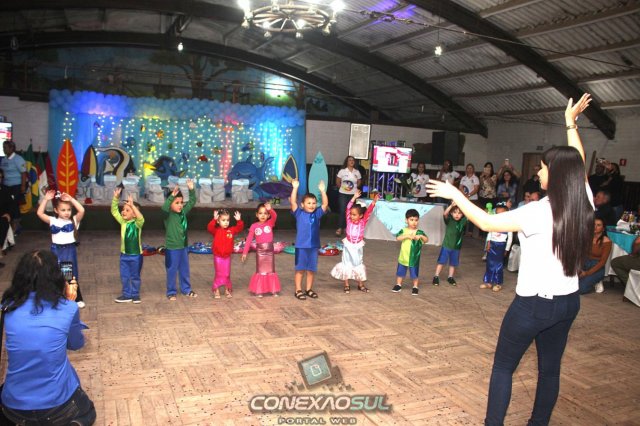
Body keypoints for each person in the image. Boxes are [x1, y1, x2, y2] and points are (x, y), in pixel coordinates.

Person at [426, 93, 594, 425]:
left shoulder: (538, 211)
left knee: (503, 367)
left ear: (555, 174)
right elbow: (579, 162)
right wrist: (570, 124)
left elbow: (487, 223)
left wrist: (456, 193)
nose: (539, 172)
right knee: (550, 370)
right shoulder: (583, 199)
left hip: (533, 305)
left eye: (543, 168)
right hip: (568, 302)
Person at [0, 250, 96, 425]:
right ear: (56, 277)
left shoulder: (7, 307)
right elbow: (76, 344)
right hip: (58, 406)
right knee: (88, 411)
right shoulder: (68, 308)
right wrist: (69, 301)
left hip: (14, 406)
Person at [36, 189, 86, 309]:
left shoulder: (73, 220)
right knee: (55, 273)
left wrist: (71, 199)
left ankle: (76, 297)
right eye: (63, 210)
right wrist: (46, 199)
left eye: (69, 210)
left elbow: (82, 210)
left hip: (68, 250)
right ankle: (57, 297)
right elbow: (39, 213)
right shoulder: (52, 221)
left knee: (69, 274)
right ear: (56, 210)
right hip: (56, 250)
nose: (66, 212)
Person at [331, 190, 379, 293]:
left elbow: (369, 211)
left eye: (354, 215)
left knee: (358, 264)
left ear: (360, 216)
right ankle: (346, 284)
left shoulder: (363, 221)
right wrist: (353, 197)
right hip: (348, 246)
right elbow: (348, 208)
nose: (352, 216)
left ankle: (360, 284)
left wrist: (374, 202)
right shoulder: (348, 220)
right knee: (346, 264)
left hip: (357, 246)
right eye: (351, 214)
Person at [291, 178, 329, 300]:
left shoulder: (317, 214)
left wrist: (323, 191)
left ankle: (308, 289)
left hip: (313, 246)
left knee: (311, 270)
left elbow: (325, 204)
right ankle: (298, 290)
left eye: (313, 203)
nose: (312, 205)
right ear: (302, 205)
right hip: (301, 246)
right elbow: (293, 202)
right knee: (300, 269)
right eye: (308, 203)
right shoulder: (299, 213)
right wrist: (295, 188)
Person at [162, 179, 197, 300]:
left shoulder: (183, 212)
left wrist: (191, 190)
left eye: (181, 202)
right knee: (172, 270)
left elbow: (192, 201)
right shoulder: (167, 214)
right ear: (170, 203)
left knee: (184, 269)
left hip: (183, 247)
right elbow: (164, 208)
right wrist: (172, 196)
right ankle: (171, 291)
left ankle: (186, 289)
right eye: (177, 203)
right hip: (172, 248)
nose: (180, 205)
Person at [111, 187, 145, 303]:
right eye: (123, 209)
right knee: (124, 276)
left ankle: (135, 295)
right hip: (124, 255)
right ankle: (127, 294)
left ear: (134, 214)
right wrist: (115, 199)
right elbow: (114, 211)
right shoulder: (123, 222)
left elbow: (141, 218)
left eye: (127, 210)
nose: (123, 212)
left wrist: (133, 206)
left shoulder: (138, 224)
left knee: (135, 276)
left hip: (136, 256)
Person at [242, 203, 281, 297]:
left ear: (268, 215)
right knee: (261, 271)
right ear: (256, 214)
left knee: (271, 271)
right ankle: (260, 290)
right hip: (260, 253)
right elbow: (249, 240)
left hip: (270, 252)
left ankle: (273, 290)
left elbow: (275, 216)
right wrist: (244, 253)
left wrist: (270, 209)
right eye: (260, 213)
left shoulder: (270, 223)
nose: (263, 215)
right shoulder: (254, 226)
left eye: (265, 213)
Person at [208, 209, 244, 299]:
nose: (226, 222)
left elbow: (239, 228)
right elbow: (209, 228)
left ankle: (227, 289)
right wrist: (213, 219)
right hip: (218, 257)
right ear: (218, 221)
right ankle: (216, 289)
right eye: (223, 220)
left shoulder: (231, 230)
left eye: (227, 220)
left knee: (227, 274)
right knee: (219, 273)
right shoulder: (216, 230)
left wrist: (239, 220)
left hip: (227, 257)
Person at [391, 209, 428, 296]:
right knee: (400, 272)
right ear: (406, 220)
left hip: (414, 258)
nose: (414, 222)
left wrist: (421, 236)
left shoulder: (419, 232)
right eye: (411, 220)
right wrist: (407, 236)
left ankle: (415, 286)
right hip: (403, 257)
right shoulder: (403, 230)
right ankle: (398, 284)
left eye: (416, 220)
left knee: (414, 273)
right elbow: (398, 238)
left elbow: (426, 240)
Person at [480, 203, 513, 292]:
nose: (499, 216)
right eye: (497, 213)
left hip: (501, 246)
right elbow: (490, 234)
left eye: (501, 214)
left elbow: (510, 238)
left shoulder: (509, 225)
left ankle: (498, 283)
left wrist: (506, 249)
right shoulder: (493, 223)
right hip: (492, 244)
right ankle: (488, 282)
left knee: (498, 265)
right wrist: (488, 243)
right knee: (489, 264)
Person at [432, 201, 467, 287]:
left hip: (456, 247)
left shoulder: (463, 221)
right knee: (441, 262)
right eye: (455, 212)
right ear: (451, 213)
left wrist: (464, 204)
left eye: (459, 213)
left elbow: (469, 215)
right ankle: (436, 276)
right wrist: (451, 205)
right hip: (446, 245)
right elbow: (445, 213)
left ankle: (450, 277)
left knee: (453, 263)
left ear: (462, 214)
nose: (457, 215)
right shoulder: (449, 220)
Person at [579, 217, 612, 294]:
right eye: (594, 224)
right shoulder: (586, 237)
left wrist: (587, 273)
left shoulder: (607, 241)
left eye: (598, 225)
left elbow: (603, 262)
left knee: (580, 289)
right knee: (570, 284)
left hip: (597, 266)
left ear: (603, 228)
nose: (595, 227)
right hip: (585, 263)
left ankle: (597, 280)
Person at [0, 140, 27, 233]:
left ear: (12, 148)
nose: (4, 149)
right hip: (5, 186)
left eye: (5, 148)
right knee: (5, 205)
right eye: (3, 147)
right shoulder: (4, 159)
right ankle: (7, 224)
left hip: (16, 186)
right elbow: (2, 172)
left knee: (14, 205)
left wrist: (23, 186)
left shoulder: (18, 159)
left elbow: (23, 173)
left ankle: (16, 225)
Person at [335, 155, 361, 237]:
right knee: (342, 210)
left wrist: (354, 188)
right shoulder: (342, 171)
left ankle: (348, 228)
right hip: (343, 194)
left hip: (353, 195)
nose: (351, 161)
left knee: (351, 211)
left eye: (353, 160)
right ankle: (340, 228)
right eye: (350, 160)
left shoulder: (357, 172)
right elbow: (337, 182)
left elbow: (359, 182)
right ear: (347, 162)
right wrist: (343, 189)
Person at [0, 169, 18, 268]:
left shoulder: (5, 189)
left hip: (2, 216)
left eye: (0, 177)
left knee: (3, 222)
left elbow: (11, 205)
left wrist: (9, 214)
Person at [460, 163, 480, 236]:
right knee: (464, 214)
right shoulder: (463, 178)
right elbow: (460, 187)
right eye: (468, 168)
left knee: (471, 215)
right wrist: (465, 195)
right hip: (464, 199)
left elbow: (476, 189)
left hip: (473, 199)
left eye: (471, 168)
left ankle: (470, 231)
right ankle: (463, 230)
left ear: (473, 169)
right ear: (466, 169)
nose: (469, 169)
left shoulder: (475, 178)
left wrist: (468, 195)